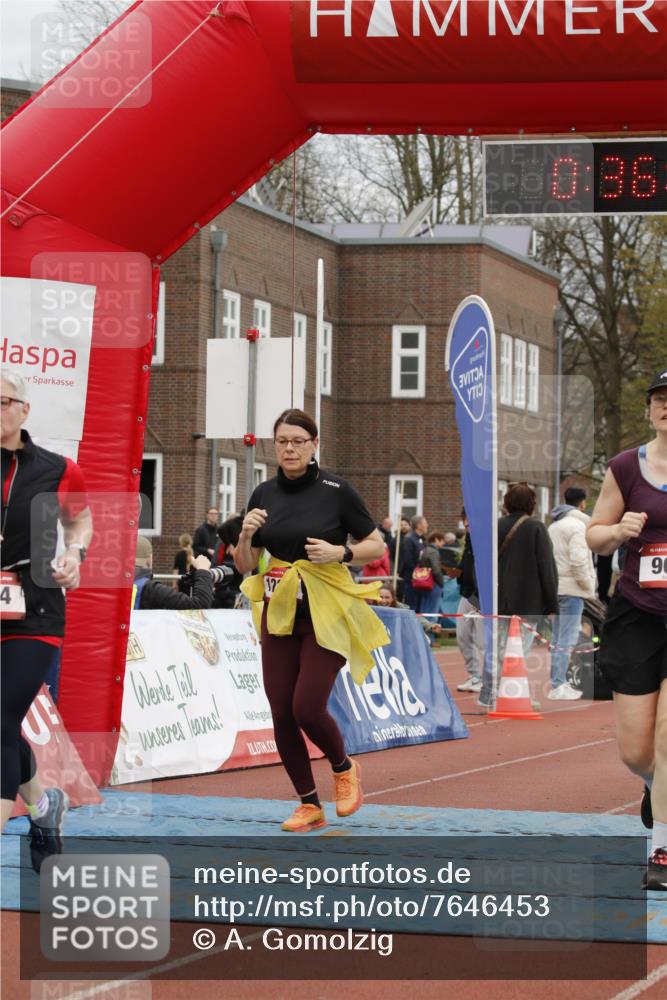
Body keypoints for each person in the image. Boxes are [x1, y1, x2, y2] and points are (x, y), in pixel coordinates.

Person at [235, 409, 388, 833]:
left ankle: (343, 767)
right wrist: (246, 537)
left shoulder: (337, 490)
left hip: (327, 610)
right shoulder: (263, 494)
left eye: (298, 441)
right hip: (279, 610)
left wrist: (341, 553)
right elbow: (245, 565)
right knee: (281, 710)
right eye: (282, 441)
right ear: (274, 446)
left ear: (314, 444)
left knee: (306, 706)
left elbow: (376, 543)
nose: (289, 449)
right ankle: (308, 804)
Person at [1, 371, 93, 871]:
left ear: (24, 410)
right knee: (1, 724)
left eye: (3, 402)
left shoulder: (56, 468)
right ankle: (42, 808)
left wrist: (75, 553)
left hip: (34, 606)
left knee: (0, 717)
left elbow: (79, 519)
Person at [587, 370, 667, 891]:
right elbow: (595, 534)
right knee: (636, 752)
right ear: (649, 410)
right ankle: (655, 787)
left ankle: (661, 849)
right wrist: (616, 531)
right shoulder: (624, 467)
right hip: (637, 614)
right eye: (660, 401)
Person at [479, 483, 558, 709]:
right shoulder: (536, 528)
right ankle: (516, 693)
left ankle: (491, 694)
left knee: (498, 648)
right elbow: (547, 568)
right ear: (532, 503)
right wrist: (552, 603)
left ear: (506, 503)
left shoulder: (496, 526)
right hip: (528, 600)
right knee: (519, 650)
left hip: (499, 597)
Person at [547, 486, 597, 700]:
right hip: (572, 589)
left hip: (556, 587)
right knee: (566, 639)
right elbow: (578, 561)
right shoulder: (578, 527)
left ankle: (557, 681)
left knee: (558, 638)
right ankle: (558, 684)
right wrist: (588, 586)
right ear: (583, 503)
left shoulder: (554, 526)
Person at [133, 535, 221, 609]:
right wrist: (203, 571)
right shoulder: (151, 590)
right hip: (190, 583)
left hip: (181, 582)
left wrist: (174, 583)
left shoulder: (122, 584)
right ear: (149, 559)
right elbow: (199, 605)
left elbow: (175, 569)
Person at [455, 509, 485, 694]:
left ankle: (490, 679)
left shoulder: (485, 537)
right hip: (467, 593)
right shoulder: (468, 539)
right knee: (462, 635)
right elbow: (467, 563)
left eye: (469, 519)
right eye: (464, 520)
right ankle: (475, 676)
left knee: (483, 641)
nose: (466, 524)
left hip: (482, 596)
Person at [400, 514, 428, 611]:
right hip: (412, 580)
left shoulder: (421, 539)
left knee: (419, 607)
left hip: (420, 580)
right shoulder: (409, 539)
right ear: (419, 525)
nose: (427, 525)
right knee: (412, 606)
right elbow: (408, 560)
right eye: (425, 523)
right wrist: (417, 574)